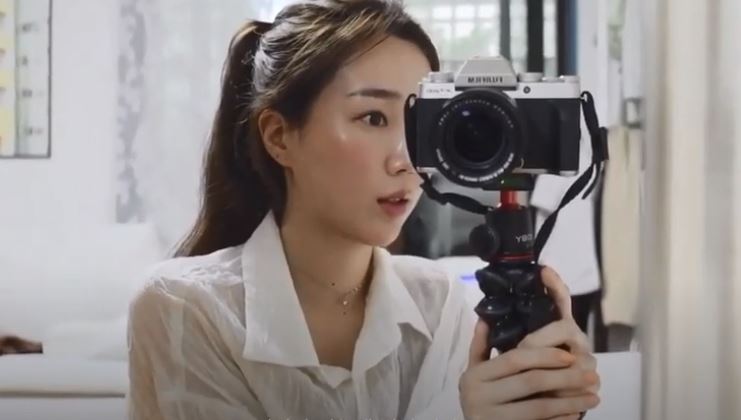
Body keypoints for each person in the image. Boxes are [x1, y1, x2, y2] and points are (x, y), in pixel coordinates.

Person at [126, 0, 601, 419]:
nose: (405, 160)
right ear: (278, 136)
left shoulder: (439, 305)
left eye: (419, 126)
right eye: (373, 118)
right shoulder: (184, 308)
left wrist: (545, 397)